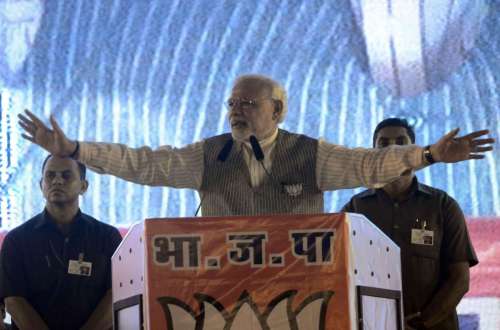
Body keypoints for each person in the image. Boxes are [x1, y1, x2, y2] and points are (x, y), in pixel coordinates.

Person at [18, 74, 494, 216]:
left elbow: (370, 165)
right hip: (219, 298)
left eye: (248, 103)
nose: (236, 110)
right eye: (231, 103)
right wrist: (77, 149)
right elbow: (143, 164)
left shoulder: (313, 154)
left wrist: (428, 154)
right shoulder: (208, 154)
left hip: (303, 297)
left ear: (278, 111)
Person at [341, 118, 479, 330]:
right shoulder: (354, 209)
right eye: (383, 143)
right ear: (372, 152)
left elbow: (459, 279)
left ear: (415, 149)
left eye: (401, 141)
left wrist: (421, 323)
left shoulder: (443, 206)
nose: (393, 148)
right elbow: (338, 274)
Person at [0, 155, 122, 330]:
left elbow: (116, 294)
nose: (57, 181)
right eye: (50, 176)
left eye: (66, 175)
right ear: (41, 185)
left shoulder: (107, 237)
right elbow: (13, 300)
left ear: (84, 186)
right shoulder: (17, 240)